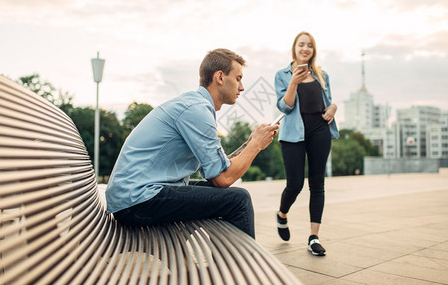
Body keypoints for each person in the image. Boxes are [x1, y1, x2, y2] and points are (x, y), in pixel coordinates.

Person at [105, 48, 279, 239]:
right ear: (220, 77)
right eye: (238, 78)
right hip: (137, 200)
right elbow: (223, 179)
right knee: (239, 200)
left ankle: (224, 266)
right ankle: (242, 268)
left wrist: (250, 143)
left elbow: (218, 170)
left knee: (221, 195)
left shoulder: (195, 106)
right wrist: (256, 146)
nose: (242, 87)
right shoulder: (197, 111)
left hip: (134, 197)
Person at [274, 31, 339, 256]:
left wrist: (333, 108)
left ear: (313, 50)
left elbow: (328, 103)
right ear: (294, 48)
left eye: (309, 46)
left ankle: (313, 237)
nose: (305, 49)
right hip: (293, 134)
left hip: (319, 131)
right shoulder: (282, 75)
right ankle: (282, 214)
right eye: (301, 45)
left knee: (317, 183)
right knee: (295, 184)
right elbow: (285, 107)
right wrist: (293, 81)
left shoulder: (322, 75)